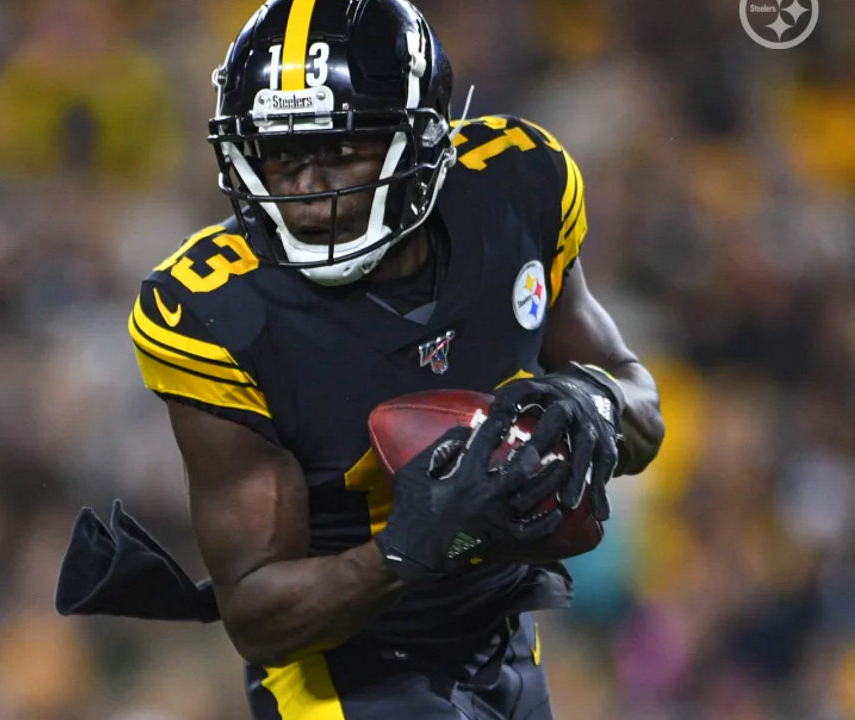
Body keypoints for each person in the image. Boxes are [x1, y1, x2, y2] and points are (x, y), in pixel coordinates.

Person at [56, 1, 665, 717]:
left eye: (341, 151)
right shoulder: (216, 312)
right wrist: (406, 548)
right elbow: (256, 614)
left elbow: (638, 404)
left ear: (424, 141)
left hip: (502, 636)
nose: (310, 191)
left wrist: (592, 407)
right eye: (282, 156)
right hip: (345, 674)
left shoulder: (517, 186)